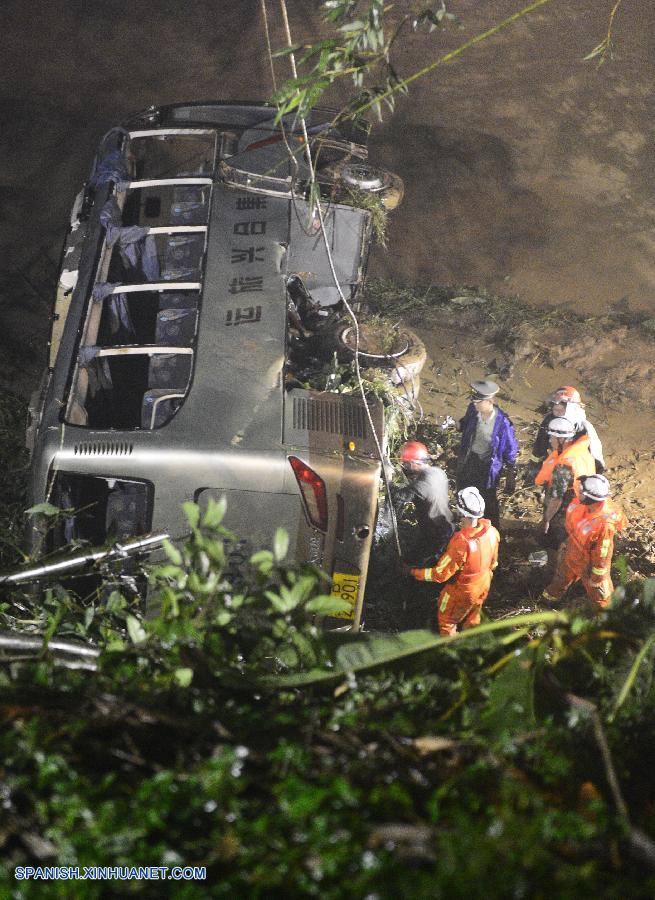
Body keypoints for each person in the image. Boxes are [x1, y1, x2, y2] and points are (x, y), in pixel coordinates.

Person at [408, 487, 500, 635]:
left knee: (447, 621)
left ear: (461, 513)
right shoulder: (492, 532)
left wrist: (412, 572)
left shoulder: (462, 542)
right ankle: (471, 640)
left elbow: (440, 574)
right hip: (483, 585)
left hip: (463, 592)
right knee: (473, 616)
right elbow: (494, 563)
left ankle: (451, 649)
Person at [542, 474, 627, 608]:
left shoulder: (604, 525)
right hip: (572, 550)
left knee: (601, 597)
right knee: (560, 579)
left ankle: (606, 618)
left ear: (591, 497)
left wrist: (596, 578)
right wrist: (566, 542)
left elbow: (603, 554)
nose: (577, 492)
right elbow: (573, 526)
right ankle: (548, 601)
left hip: (589, 564)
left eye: (581, 491)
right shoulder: (580, 503)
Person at [456, 380, 518, 530]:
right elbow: (465, 423)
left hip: (488, 467)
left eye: (478, 402)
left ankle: (492, 530)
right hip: (469, 459)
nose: (475, 404)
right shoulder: (473, 410)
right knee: (464, 490)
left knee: (488, 498)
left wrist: (511, 473)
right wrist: (459, 425)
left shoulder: (502, 423)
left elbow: (510, 448)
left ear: (490, 401)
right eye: (474, 401)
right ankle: (466, 523)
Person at [534, 416, 596, 548]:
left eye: (552, 437)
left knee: (556, 542)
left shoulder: (564, 465)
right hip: (580, 506)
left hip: (565, 511)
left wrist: (546, 520)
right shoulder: (581, 452)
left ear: (562, 439)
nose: (550, 441)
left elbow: (556, 499)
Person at [393, 440, 454, 565]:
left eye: (407, 463)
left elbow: (398, 497)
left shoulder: (423, 484)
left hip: (435, 534)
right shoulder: (438, 472)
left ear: (415, 463)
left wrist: (388, 480)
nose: (405, 466)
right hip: (445, 525)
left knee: (416, 563)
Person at [526, 385, 604, 480]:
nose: (557, 412)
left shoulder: (584, 427)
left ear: (572, 408)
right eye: (555, 407)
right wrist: (533, 471)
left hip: (578, 470)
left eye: (562, 408)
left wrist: (594, 479)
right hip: (555, 464)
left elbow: (595, 455)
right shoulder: (549, 420)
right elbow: (539, 447)